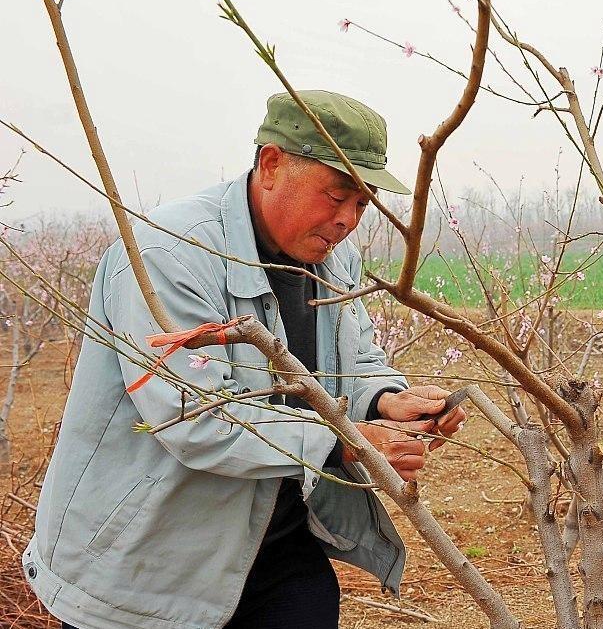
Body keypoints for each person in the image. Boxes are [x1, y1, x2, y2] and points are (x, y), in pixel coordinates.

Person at [23, 90, 466, 629]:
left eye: (363, 203)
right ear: (272, 163)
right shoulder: (171, 253)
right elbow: (197, 415)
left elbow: (355, 357)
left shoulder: (332, 255)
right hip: (147, 563)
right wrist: (345, 443)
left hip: (272, 542)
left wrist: (388, 397)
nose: (349, 220)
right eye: (337, 195)